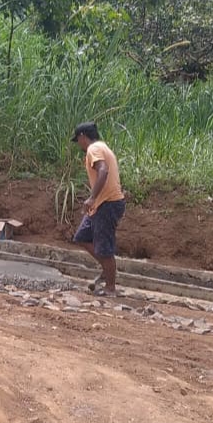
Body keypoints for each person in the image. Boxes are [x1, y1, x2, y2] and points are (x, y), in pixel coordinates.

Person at [71, 121, 125, 296]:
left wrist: (92, 197)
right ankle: (106, 270)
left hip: (106, 204)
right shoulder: (103, 147)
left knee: (104, 248)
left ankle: (110, 288)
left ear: (82, 137)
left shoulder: (93, 150)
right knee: (82, 237)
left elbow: (103, 170)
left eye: (78, 140)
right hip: (102, 204)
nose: (78, 144)